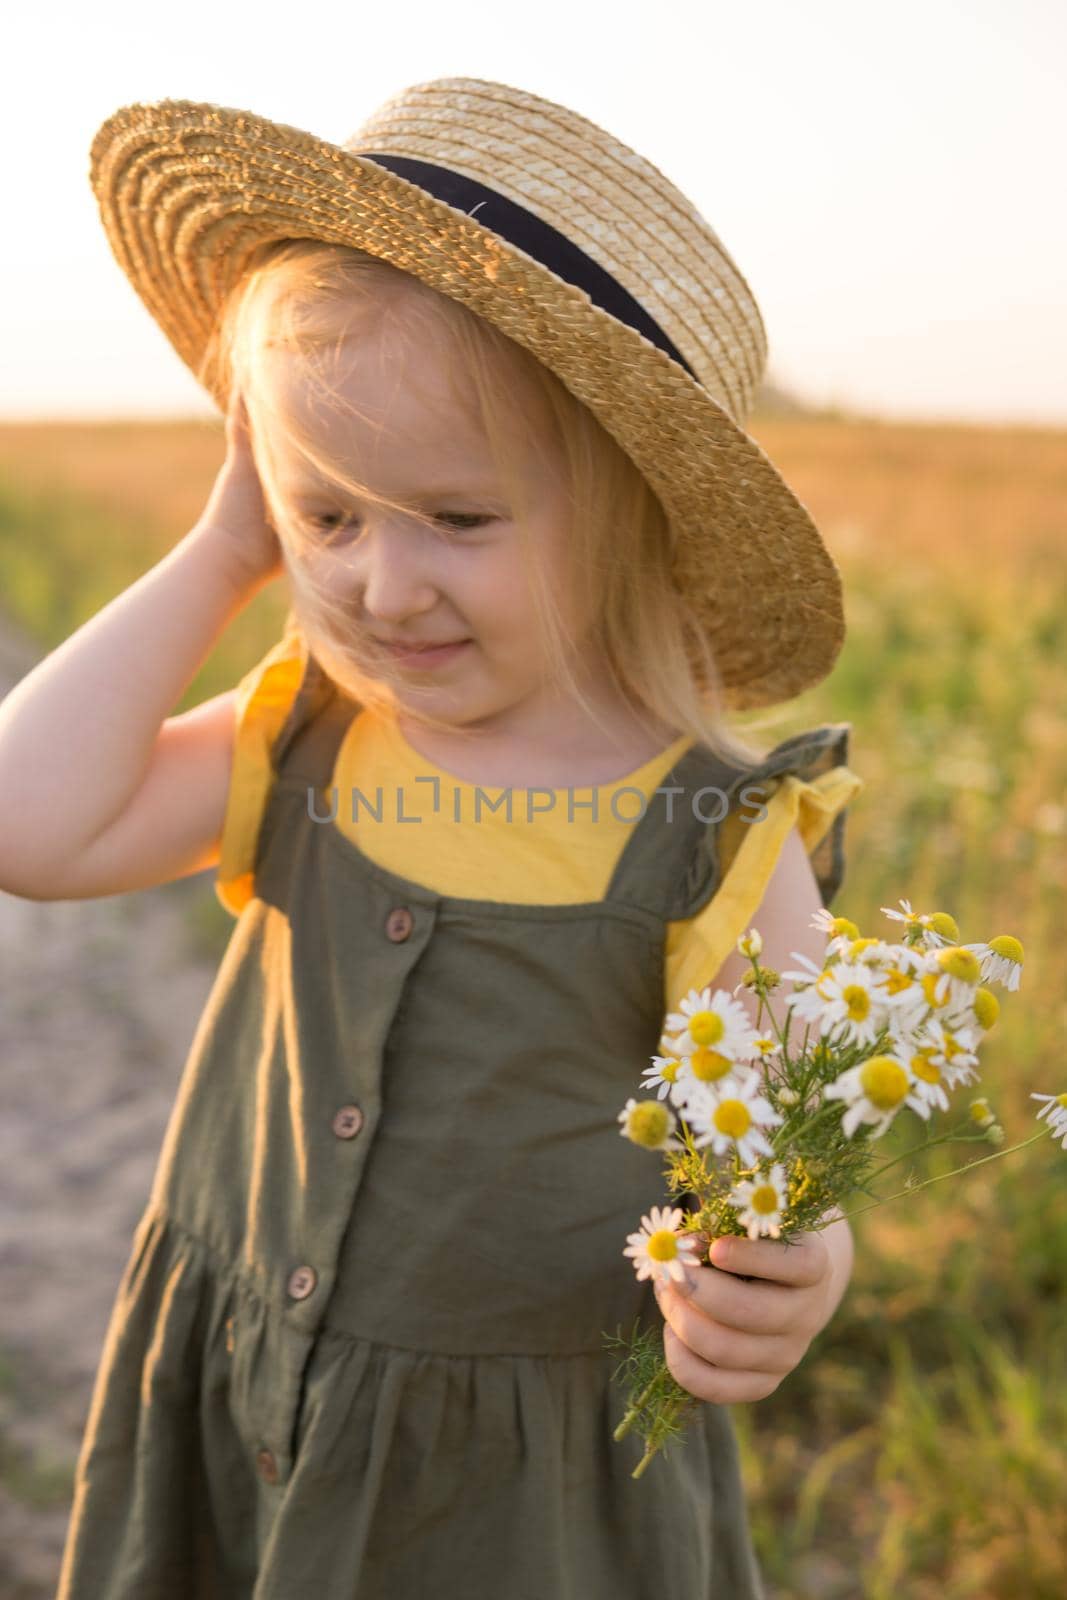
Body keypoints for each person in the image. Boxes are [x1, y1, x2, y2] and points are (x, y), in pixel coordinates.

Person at [0, 78, 865, 1599]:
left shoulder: (714, 832)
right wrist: (222, 552)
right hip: (242, 1386)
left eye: (456, 520)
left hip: (516, 1497)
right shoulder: (315, 731)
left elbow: (794, 1161)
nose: (383, 590)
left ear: (628, 517)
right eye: (328, 517)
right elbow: (33, 825)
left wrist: (802, 1271)